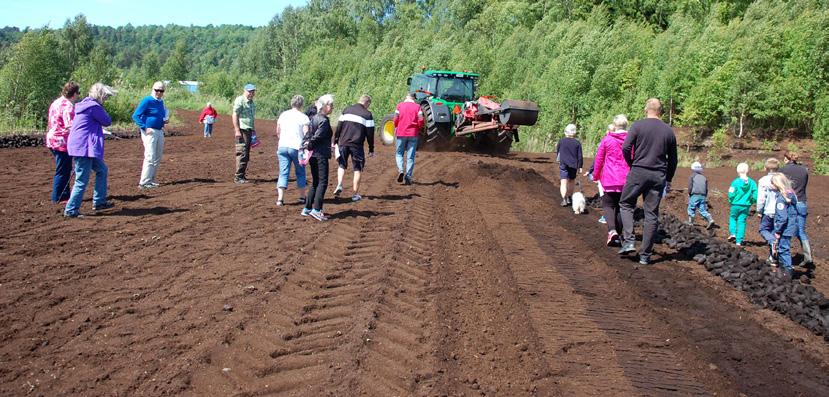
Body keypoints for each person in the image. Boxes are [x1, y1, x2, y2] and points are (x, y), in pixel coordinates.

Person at [618, 98, 678, 265]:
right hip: (658, 175)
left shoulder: (638, 126)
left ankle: (629, 240)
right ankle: (645, 255)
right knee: (651, 214)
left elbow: (626, 148)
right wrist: (669, 179)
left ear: (646, 109)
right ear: (661, 111)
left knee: (626, 204)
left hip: (638, 171)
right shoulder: (668, 131)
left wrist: (632, 163)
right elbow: (673, 159)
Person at [63, 83, 116, 218]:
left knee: (102, 170)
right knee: (81, 180)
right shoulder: (94, 107)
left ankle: (99, 201)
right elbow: (107, 121)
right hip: (84, 148)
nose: (106, 100)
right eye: (105, 97)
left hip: (83, 146)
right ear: (101, 96)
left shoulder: (84, 104)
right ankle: (71, 210)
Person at [592, 115, 630, 246]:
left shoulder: (607, 139)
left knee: (608, 205)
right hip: (626, 179)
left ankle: (612, 231)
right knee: (621, 207)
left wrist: (596, 175)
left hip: (609, 178)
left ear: (615, 125)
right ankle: (617, 235)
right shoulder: (632, 140)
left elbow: (599, 159)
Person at [333, 94, 375, 201]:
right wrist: (371, 148)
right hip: (357, 145)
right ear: (367, 103)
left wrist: (335, 140)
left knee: (342, 165)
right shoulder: (367, 114)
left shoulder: (346, 110)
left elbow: (339, 127)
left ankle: (339, 184)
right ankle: (355, 194)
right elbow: (370, 134)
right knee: (357, 168)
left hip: (343, 142)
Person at [301, 94, 334, 221]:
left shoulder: (314, 118)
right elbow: (317, 137)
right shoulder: (324, 120)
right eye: (330, 105)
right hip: (320, 154)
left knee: (315, 181)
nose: (332, 108)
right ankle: (317, 209)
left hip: (313, 154)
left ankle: (307, 208)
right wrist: (310, 145)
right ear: (324, 106)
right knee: (323, 182)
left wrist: (308, 146)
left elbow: (310, 135)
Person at [46, 81, 80, 203]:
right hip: (61, 141)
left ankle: (63, 194)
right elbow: (70, 126)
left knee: (63, 168)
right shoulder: (68, 106)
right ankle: (60, 197)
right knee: (63, 170)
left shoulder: (56, 102)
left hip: (52, 139)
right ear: (74, 93)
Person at [132, 81, 169, 189]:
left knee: (157, 156)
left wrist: (164, 121)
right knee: (150, 156)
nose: (159, 92)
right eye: (157, 90)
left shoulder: (161, 102)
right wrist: (144, 127)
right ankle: (144, 182)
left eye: (161, 90)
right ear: (153, 89)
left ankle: (151, 179)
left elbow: (160, 115)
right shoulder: (147, 100)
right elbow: (135, 115)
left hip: (159, 130)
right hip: (150, 131)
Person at [275, 94, 309, 206]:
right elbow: (306, 133)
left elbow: (278, 131)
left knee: (283, 172)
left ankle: (280, 199)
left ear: (291, 103)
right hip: (296, 147)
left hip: (283, 146)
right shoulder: (303, 117)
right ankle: (302, 197)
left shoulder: (283, 115)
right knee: (300, 172)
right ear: (301, 104)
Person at [780, 151, 813, 265]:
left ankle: (782, 256)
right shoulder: (804, 170)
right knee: (801, 231)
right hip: (802, 201)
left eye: (784, 158)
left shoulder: (782, 170)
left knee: (785, 228)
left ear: (787, 159)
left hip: (789, 202)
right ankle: (808, 256)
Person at [771, 173, 799, 279]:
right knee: (784, 247)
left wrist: (778, 231)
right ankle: (784, 270)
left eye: (773, 184)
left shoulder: (781, 199)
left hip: (785, 228)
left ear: (777, 185)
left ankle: (787, 270)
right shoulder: (792, 194)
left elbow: (782, 218)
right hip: (792, 225)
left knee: (783, 248)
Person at [393, 93, 424, 185]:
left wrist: (396, 127)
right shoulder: (417, 107)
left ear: (406, 97)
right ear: (414, 98)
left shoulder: (400, 105)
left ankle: (401, 170)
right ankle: (408, 176)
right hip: (413, 133)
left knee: (399, 153)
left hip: (401, 132)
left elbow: (395, 119)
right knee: (410, 156)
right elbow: (421, 120)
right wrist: (418, 128)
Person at [756, 158, 781, 264]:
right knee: (775, 233)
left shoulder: (763, 180)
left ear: (766, 168)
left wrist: (759, 210)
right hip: (780, 211)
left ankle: (772, 243)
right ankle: (773, 258)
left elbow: (761, 198)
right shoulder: (782, 179)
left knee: (763, 230)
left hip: (768, 210)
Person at [727, 163, 757, 246]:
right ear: (747, 171)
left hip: (735, 204)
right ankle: (739, 241)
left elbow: (731, 193)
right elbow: (755, 193)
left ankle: (733, 233)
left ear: (737, 171)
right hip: (746, 205)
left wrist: (730, 200)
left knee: (733, 218)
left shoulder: (735, 182)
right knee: (742, 221)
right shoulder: (752, 182)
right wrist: (752, 201)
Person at [232, 84, 256, 183]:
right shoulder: (240, 100)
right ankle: (238, 177)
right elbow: (235, 114)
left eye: (253, 91)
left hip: (249, 130)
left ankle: (242, 175)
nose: (252, 93)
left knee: (246, 154)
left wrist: (253, 130)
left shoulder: (251, 102)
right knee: (242, 153)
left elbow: (251, 118)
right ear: (245, 91)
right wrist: (237, 130)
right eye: (250, 91)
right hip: (242, 130)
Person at [555, 124, 583, 207]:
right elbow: (580, 156)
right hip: (573, 165)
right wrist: (580, 166)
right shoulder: (577, 143)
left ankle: (564, 199)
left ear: (566, 131)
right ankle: (569, 198)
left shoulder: (561, 141)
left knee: (563, 182)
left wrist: (559, 160)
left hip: (563, 163)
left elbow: (558, 152)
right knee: (571, 181)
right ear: (574, 132)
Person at [687, 161, 715, 229]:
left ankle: (690, 222)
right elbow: (706, 188)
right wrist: (705, 196)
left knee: (691, 207)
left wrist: (689, 193)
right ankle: (710, 219)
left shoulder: (692, 176)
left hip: (695, 194)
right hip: (703, 195)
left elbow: (690, 186)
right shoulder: (704, 177)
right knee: (702, 209)